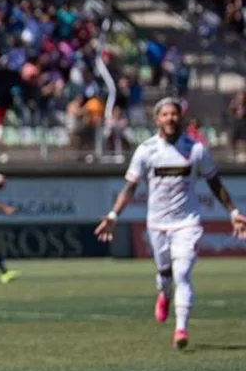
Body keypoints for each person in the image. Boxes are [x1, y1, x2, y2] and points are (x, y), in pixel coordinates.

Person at [95, 98, 246, 349]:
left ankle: (181, 329)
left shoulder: (196, 150)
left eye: (174, 114)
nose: (170, 118)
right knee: (165, 274)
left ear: (181, 117)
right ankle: (164, 295)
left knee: (183, 274)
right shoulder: (146, 151)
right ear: (157, 119)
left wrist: (233, 211)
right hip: (157, 224)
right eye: (164, 114)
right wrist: (113, 216)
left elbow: (214, 182)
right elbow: (130, 188)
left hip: (187, 222)